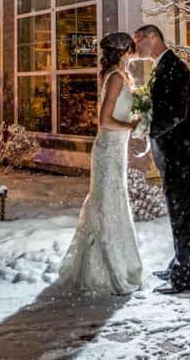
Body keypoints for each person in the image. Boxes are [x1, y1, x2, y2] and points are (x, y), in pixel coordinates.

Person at [58, 32, 143, 295]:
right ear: (124, 51)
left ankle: (111, 265)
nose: (134, 52)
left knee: (113, 204)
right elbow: (104, 120)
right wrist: (131, 126)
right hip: (108, 150)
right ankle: (105, 271)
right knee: (106, 205)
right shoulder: (116, 77)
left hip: (117, 150)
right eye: (132, 48)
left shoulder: (122, 77)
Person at [132, 24, 190, 295]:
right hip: (173, 155)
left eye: (139, 41)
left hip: (181, 155)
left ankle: (184, 276)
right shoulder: (163, 67)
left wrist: (146, 129)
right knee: (178, 213)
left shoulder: (174, 68)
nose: (137, 48)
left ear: (153, 38)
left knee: (184, 215)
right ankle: (179, 262)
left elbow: (175, 113)